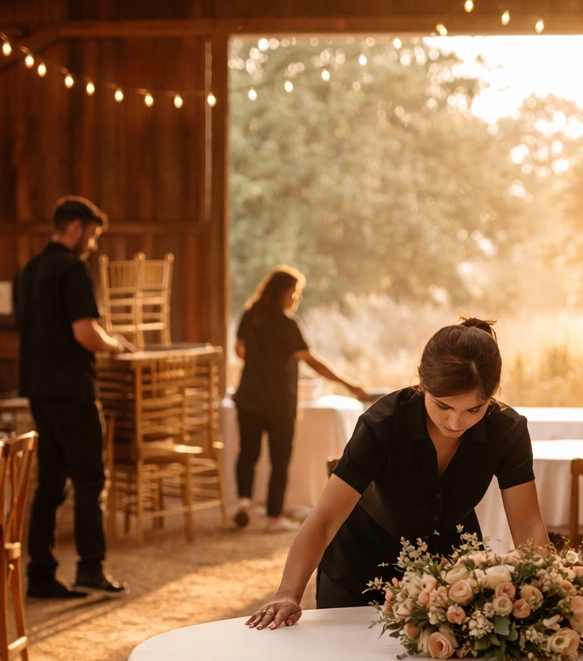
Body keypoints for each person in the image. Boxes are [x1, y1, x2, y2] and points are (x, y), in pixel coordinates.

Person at [248, 318, 547, 628]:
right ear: (422, 383)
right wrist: (288, 593)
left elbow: (528, 523)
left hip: (452, 579)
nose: (456, 423)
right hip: (360, 571)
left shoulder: (507, 430)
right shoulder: (383, 424)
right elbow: (323, 520)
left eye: (474, 409)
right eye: (443, 406)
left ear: (493, 394)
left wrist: (545, 590)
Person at [14, 195, 133, 599]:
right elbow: (85, 333)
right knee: (89, 479)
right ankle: (90, 568)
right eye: (93, 235)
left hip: (37, 388)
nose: (93, 245)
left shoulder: (28, 270)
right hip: (71, 389)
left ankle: (40, 574)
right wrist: (115, 345)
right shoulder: (72, 268)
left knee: (50, 481)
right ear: (77, 227)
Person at [232, 266, 369, 532]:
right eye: (295, 293)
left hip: (248, 398)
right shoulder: (288, 325)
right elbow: (313, 362)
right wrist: (349, 384)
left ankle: (243, 503)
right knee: (279, 460)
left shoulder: (250, 316)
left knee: (247, 453)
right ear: (282, 293)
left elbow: (239, 350)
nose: (297, 298)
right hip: (280, 403)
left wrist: (259, 361)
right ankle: (274, 518)